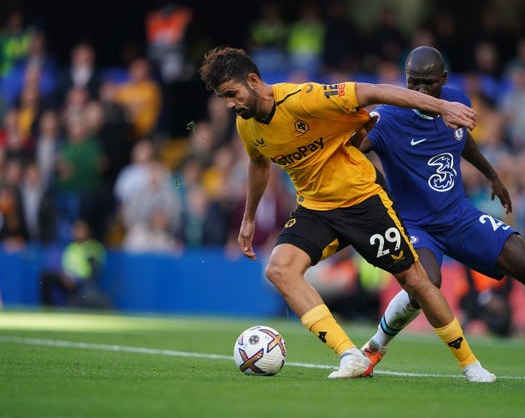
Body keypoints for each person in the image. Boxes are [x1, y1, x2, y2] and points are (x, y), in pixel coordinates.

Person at [199, 46, 495, 381]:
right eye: (223, 97)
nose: (229, 104)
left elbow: (374, 92)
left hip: (361, 200)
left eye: (232, 94)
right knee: (280, 269)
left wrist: (443, 107)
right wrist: (249, 218)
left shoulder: (302, 99)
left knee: (416, 281)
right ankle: (350, 355)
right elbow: (257, 164)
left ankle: (470, 364)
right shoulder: (247, 125)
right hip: (315, 208)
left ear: (253, 80)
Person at [350, 46, 525, 383]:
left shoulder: (456, 101)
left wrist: (491, 174)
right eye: (414, 84)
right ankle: (374, 348)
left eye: (428, 84)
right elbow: (352, 148)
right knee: (427, 284)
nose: (421, 92)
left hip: (459, 215)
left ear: (443, 80)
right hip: (416, 224)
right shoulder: (389, 117)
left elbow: (461, 140)